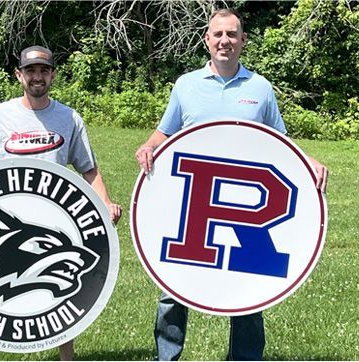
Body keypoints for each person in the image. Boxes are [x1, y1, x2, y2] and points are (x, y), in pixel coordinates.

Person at [135, 8, 328, 361]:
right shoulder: (186, 85)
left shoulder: (260, 87)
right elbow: (165, 132)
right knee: (172, 288)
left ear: (242, 41)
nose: (225, 41)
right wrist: (149, 147)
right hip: (195, 205)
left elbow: (280, 141)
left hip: (245, 207)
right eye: (218, 34)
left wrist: (308, 161)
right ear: (207, 41)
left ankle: (245, 358)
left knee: (248, 291)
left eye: (232, 35)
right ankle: (167, 356)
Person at [0, 45, 122, 361]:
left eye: (44, 71)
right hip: (9, 219)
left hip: (54, 217)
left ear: (52, 75)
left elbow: (88, 168)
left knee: (64, 293)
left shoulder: (69, 118)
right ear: (19, 75)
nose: (37, 77)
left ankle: (66, 359)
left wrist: (106, 202)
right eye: (31, 71)